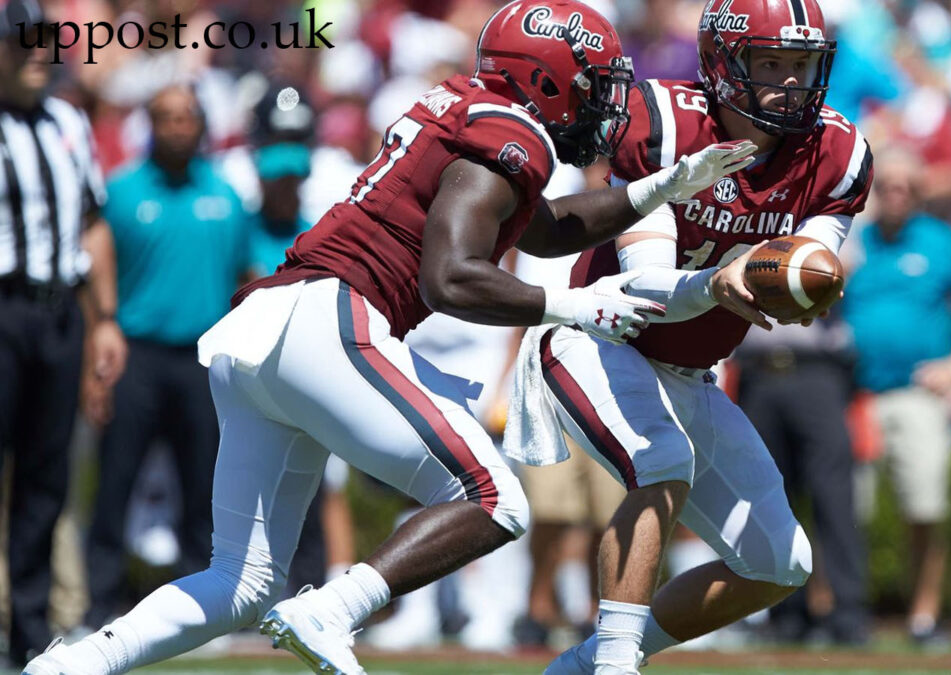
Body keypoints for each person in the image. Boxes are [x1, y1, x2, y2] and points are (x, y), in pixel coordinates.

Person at [23, 2, 755, 673]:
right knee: (492, 497)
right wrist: (573, 306)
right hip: (332, 318)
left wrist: (656, 190)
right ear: (547, 79)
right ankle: (332, 608)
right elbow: (452, 278)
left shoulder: (476, 115)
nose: (602, 102)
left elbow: (545, 227)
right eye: (592, 84)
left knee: (241, 581)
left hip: (274, 321)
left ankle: (69, 666)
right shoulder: (511, 133)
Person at [514, 0, 875, 671]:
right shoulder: (664, 125)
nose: (790, 82)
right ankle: (616, 664)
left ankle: (583, 661)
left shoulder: (837, 151)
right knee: (661, 465)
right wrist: (715, 283)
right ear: (722, 61)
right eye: (770, 62)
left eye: (801, 64)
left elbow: (810, 263)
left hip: (689, 373)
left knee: (779, 562)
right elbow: (646, 285)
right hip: (600, 337)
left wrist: (802, 286)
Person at [80, 84, 251, 634]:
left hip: (202, 360)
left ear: (202, 124)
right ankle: (98, 605)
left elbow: (244, 279)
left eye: (188, 118)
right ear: (150, 124)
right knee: (115, 485)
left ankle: (200, 614)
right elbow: (95, 276)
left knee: (205, 487)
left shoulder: (226, 196)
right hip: (138, 357)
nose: (179, 127)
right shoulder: (122, 193)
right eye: (167, 118)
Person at [0, 0, 127, 666]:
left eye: (43, 42)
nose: (35, 55)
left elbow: (92, 223)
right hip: (1, 306)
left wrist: (104, 318)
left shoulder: (67, 122)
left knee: (46, 477)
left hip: (56, 314)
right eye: (20, 43)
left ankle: (28, 634)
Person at [841, 148, 951, 648]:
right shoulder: (853, 243)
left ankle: (924, 615)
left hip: (917, 394)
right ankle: (839, 612)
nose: (896, 193)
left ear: (920, 192)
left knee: (925, 507)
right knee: (845, 510)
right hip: (857, 395)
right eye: (888, 186)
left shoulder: (939, 242)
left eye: (907, 185)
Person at [736, 320, 869, 646]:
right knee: (767, 499)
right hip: (757, 373)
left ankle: (847, 614)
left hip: (817, 371)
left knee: (834, 498)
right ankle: (784, 613)